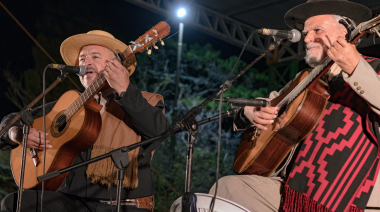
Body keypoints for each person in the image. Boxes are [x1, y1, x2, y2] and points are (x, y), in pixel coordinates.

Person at [209, 0, 380, 212]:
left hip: (357, 197)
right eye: (305, 32)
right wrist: (249, 112)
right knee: (226, 189)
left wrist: (355, 68)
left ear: (344, 31)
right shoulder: (305, 78)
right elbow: (269, 103)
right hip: (294, 188)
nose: (306, 38)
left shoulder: (375, 68)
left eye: (317, 30)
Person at [0, 30, 170, 211]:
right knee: (14, 203)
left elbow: (160, 132)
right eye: (81, 59)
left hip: (121, 205)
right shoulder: (66, 105)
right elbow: (10, 123)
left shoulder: (144, 100)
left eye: (95, 56)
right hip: (72, 202)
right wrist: (16, 133)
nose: (86, 62)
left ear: (115, 65)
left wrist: (125, 90)